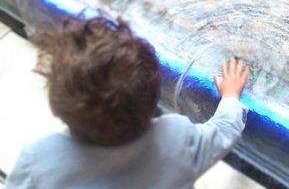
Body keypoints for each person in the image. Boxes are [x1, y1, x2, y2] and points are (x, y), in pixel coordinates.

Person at [5, 16, 250, 189]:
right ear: (155, 98)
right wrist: (230, 97)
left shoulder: (37, 161)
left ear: (58, 107)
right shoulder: (177, 139)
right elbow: (223, 132)